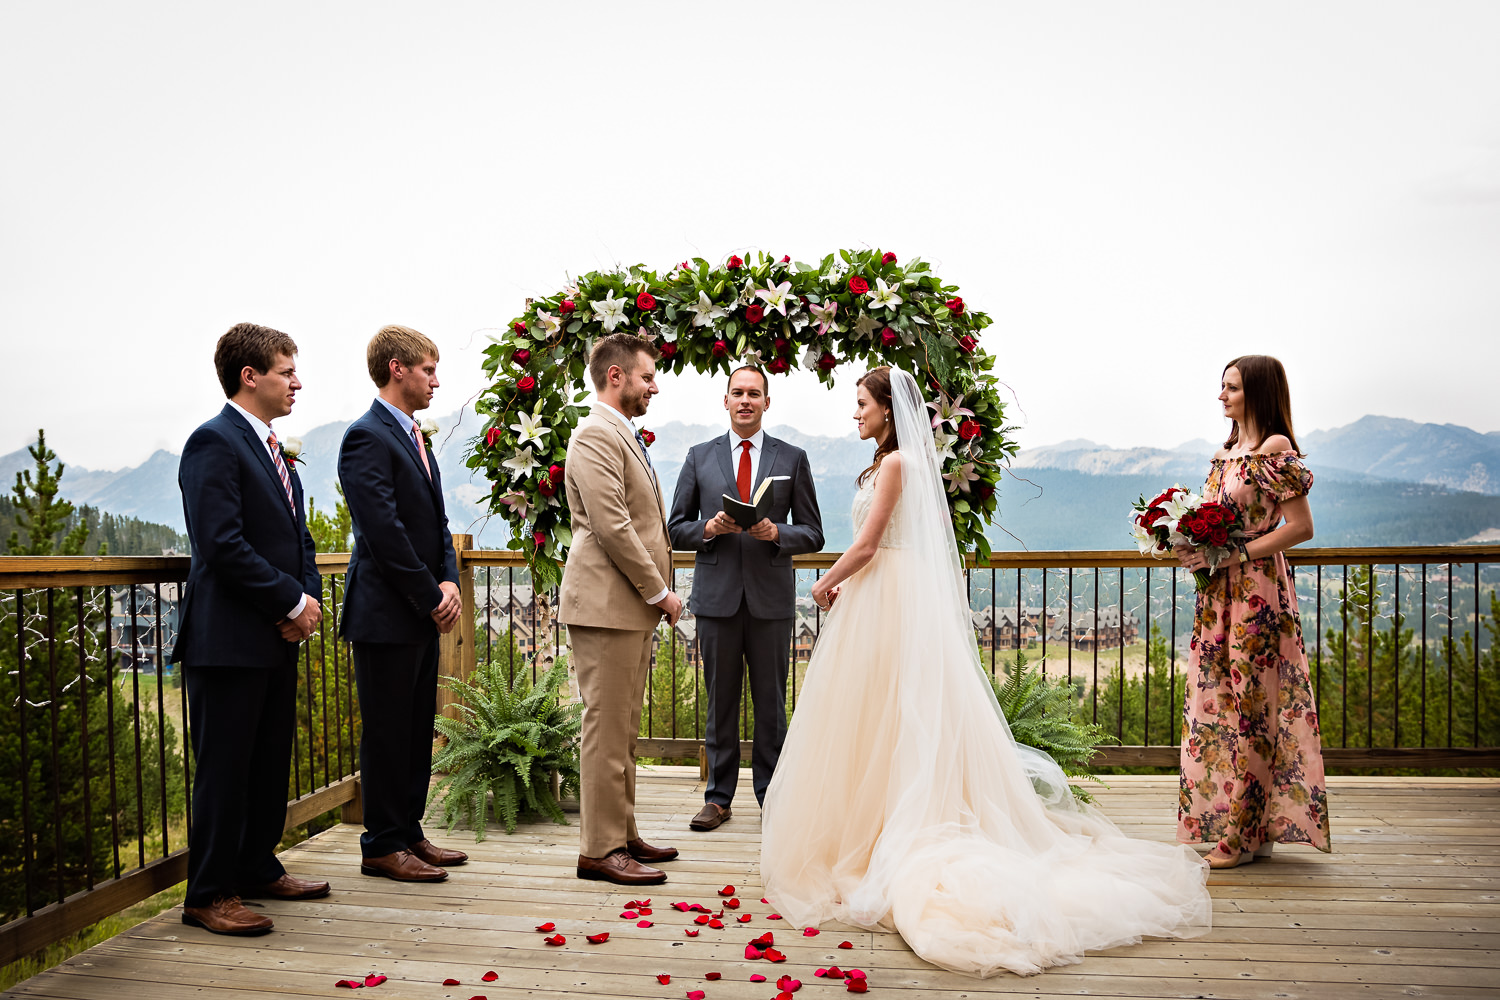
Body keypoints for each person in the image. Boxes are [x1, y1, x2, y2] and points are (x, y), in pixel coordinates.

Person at [760, 366, 1211, 977]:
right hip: (886, 593)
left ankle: (881, 832)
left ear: (889, 412)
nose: (855, 413)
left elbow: (866, 544)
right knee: (882, 712)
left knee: (887, 708)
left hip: (885, 592)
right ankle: (870, 827)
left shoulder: (896, 466)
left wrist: (825, 583)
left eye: (861, 404)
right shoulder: (889, 463)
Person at [175, 322, 330, 935]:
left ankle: (257, 866)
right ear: (251, 376)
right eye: (287, 371)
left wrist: (308, 598)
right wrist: (289, 601)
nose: (297, 382)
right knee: (225, 770)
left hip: (272, 636)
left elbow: (299, 536)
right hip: (229, 641)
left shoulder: (271, 447)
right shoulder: (212, 442)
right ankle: (208, 894)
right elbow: (220, 543)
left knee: (268, 762)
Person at [1174, 355, 1330, 868]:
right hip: (1218, 593)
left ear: (1257, 392)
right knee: (1221, 702)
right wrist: (1187, 543)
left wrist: (1239, 552)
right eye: (1222, 386)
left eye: (1232, 388)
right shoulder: (1227, 451)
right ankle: (1249, 823)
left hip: (1258, 593)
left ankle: (1244, 835)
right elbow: (1218, 520)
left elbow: (1301, 527)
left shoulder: (1273, 450)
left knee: (1255, 711)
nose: (1222, 396)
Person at [668, 366, 824, 830]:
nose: (745, 400)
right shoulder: (699, 456)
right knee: (719, 704)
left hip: (771, 601)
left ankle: (772, 797)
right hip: (716, 601)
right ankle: (717, 798)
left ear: (767, 403)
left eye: (754, 393)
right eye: (737, 392)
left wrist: (778, 532)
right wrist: (708, 529)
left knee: (772, 705)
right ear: (725, 400)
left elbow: (813, 532)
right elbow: (675, 528)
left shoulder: (792, 458)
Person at [339, 325, 468, 883]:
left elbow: (436, 525)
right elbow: (383, 532)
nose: (436, 381)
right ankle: (381, 844)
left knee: (417, 728)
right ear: (398, 369)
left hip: (420, 610)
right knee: (388, 732)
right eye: (428, 370)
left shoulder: (417, 437)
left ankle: (409, 831)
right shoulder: (365, 436)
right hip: (386, 614)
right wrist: (427, 595)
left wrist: (450, 581)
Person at [559, 332, 684, 886]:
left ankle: (623, 831)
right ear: (617, 376)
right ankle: (599, 849)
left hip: (625, 608)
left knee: (624, 729)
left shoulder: (620, 434)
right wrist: (659, 591)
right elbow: (613, 525)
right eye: (648, 376)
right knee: (605, 727)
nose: (654, 386)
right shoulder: (594, 435)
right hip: (608, 605)